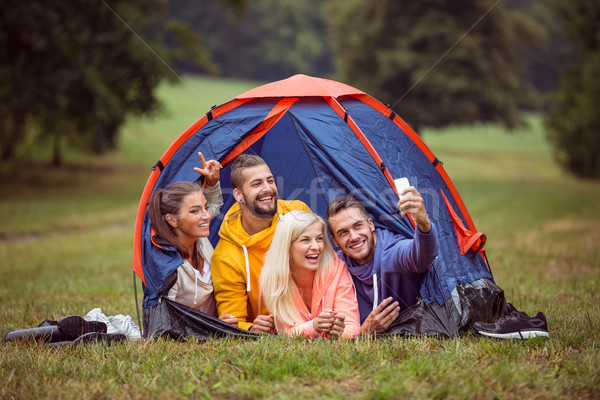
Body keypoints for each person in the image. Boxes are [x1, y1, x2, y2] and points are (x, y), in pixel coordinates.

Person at [211, 154, 311, 332]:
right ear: (238, 195)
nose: (268, 189)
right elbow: (232, 320)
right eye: (257, 184)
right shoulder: (226, 255)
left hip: (312, 317)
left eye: (270, 181)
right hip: (276, 330)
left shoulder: (297, 212)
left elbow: (328, 268)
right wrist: (250, 329)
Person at [325, 188, 438, 335]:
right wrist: (364, 331)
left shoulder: (392, 252)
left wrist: (424, 224)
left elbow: (420, 257)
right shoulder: (336, 266)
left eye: (358, 226)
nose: (353, 237)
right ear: (334, 241)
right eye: (343, 232)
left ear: (371, 225)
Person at [147, 152, 237, 325]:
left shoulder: (199, 239)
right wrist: (215, 326)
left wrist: (211, 182)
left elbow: (215, 205)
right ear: (172, 220)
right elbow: (163, 323)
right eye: (195, 211)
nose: (206, 216)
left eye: (204, 207)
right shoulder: (168, 266)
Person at [259, 210, 361, 339]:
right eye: (305, 240)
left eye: (319, 239)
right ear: (287, 246)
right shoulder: (272, 276)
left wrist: (339, 333)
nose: (315, 247)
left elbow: (352, 326)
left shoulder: (337, 269)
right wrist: (314, 326)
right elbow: (285, 333)